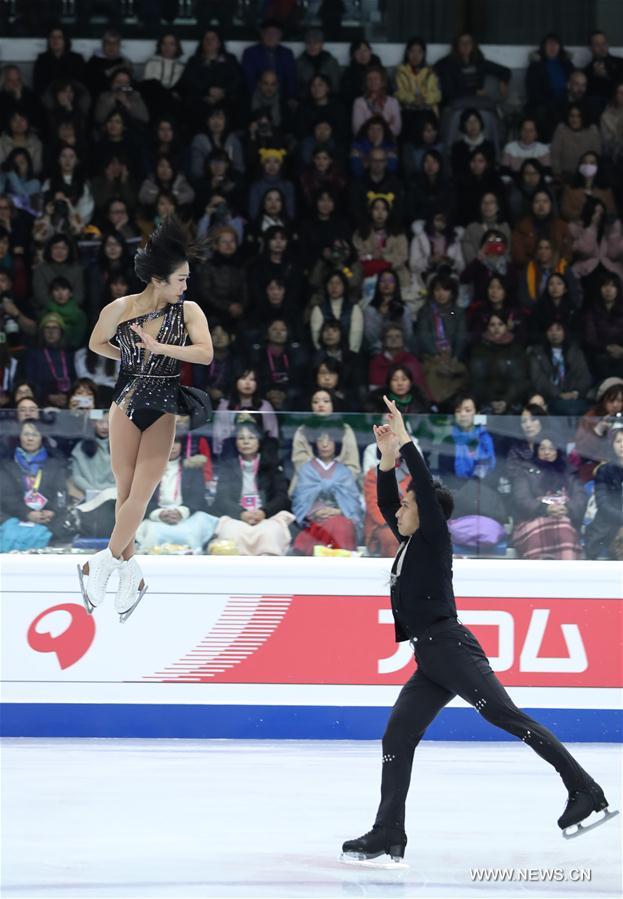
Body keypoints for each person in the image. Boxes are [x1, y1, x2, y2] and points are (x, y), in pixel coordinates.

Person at [340, 396, 615, 865]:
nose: (398, 510)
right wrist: (386, 460)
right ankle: (388, 831)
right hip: (431, 658)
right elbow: (388, 501)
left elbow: (419, 488)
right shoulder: (410, 540)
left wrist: (405, 442)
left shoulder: (433, 538)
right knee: (397, 736)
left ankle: (585, 790)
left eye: (407, 505)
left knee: (507, 717)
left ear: (426, 512)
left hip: (451, 649)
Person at [78, 217, 213, 620]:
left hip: (162, 406)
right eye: (180, 279)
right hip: (125, 402)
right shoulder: (120, 308)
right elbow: (96, 343)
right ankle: (129, 573)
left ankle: (101, 562)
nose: (185, 286)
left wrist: (161, 349)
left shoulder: (188, 311)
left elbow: (205, 353)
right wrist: (131, 356)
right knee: (124, 494)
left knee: (140, 495)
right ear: (158, 279)